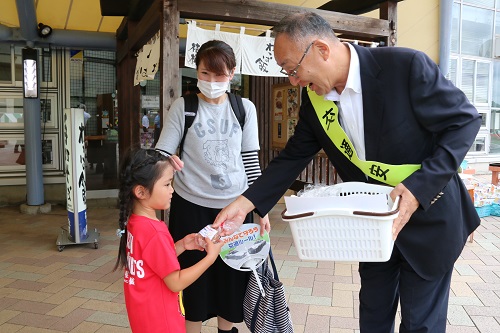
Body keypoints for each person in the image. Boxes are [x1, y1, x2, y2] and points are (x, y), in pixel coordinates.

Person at [214, 12, 481, 333]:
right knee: (373, 316)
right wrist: (245, 203)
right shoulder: (315, 100)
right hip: (370, 227)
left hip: (430, 217)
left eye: (292, 69)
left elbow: (463, 121)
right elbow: (293, 157)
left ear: (321, 50)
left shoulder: (405, 67)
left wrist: (417, 189)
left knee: (421, 324)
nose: (292, 81)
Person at [155, 40, 270, 333]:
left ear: (232, 73)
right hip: (190, 205)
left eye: (219, 75)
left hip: (234, 208)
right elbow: (162, 152)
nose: (211, 81)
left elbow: (250, 160)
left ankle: (225, 329)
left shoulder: (245, 109)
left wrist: (261, 207)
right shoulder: (184, 106)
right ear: (197, 72)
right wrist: (168, 160)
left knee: (231, 278)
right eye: (205, 73)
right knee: (193, 277)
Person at [113, 148, 224, 333]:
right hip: (162, 322)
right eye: (166, 185)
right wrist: (210, 258)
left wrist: (181, 245)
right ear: (141, 191)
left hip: (143, 318)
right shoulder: (155, 232)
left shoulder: (134, 222)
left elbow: (152, 262)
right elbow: (176, 282)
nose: (172, 190)